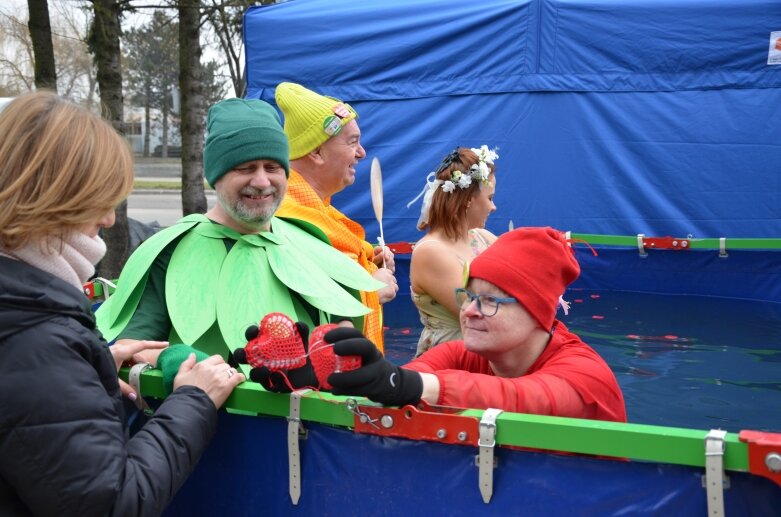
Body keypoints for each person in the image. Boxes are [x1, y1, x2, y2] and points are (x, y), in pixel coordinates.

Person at [0, 91, 245, 515]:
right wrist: (193, 401)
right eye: (100, 196)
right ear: (56, 195)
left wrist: (89, 366)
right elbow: (112, 503)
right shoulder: (37, 339)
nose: (111, 219)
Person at [97, 97, 383, 384]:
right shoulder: (170, 251)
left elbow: (344, 332)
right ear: (216, 175)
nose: (261, 181)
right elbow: (130, 350)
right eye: (245, 168)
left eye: (272, 167)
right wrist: (180, 358)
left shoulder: (311, 241)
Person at [325, 227, 627, 422]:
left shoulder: (587, 376)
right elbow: (395, 385)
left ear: (538, 312)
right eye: (468, 296)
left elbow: (526, 399)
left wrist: (407, 385)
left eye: (490, 300)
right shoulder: (461, 354)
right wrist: (332, 373)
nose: (468, 311)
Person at [273, 82, 397, 352]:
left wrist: (369, 262)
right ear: (316, 151)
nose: (362, 152)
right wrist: (370, 290)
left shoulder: (319, 212)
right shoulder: (286, 220)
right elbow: (300, 308)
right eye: (352, 142)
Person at [407, 146, 499, 356]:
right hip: (451, 358)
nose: (494, 207)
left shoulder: (481, 237)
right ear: (468, 201)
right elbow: (481, 312)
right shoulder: (430, 252)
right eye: (490, 198)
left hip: (487, 352)